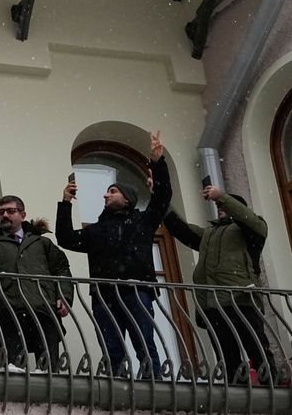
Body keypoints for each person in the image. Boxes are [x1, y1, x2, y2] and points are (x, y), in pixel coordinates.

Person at [56, 131, 170, 380]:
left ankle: (154, 380)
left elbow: (162, 199)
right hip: (104, 294)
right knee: (111, 348)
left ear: (127, 198)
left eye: (113, 191)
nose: (106, 195)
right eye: (107, 192)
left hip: (136, 290)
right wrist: (65, 203)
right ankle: (115, 383)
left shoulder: (142, 221)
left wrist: (158, 163)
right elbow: (65, 239)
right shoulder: (96, 230)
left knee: (144, 342)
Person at [163, 185, 277, 383]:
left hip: (241, 299)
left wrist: (221, 196)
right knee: (226, 355)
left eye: (223, 205)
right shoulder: (209, 234)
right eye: (219, 205)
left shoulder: (251, 229)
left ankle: (272, 387)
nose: (219, 207)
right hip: (213, 303)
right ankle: (236, 395)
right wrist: (160, 197)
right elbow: (180, 228)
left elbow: (249, 219)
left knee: (256, 347)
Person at [0, 196, 72, 371]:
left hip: (44, 309)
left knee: (50, 371)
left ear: (22, 214)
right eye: (1, 212)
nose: (5, 215)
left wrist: (64, 296)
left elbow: (62, 269)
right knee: (14, 370)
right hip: (8, 311)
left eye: (11, 211)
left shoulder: (41, 242)